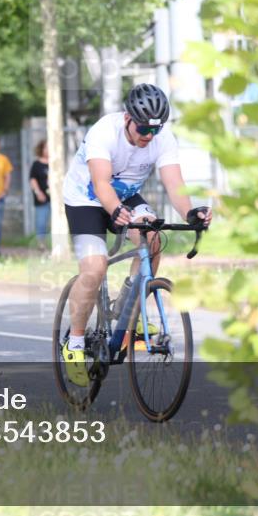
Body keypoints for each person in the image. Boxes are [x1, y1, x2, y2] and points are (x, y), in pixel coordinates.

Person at [61, 84, 212, 386]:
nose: (148, 136)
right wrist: (115, 211)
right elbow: (101, 184)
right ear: (128, 118)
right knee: (94, 268)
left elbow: (174, 185)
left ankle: (130, 305)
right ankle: (74, 344)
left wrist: (190, 213)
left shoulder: (162, 138)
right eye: (143, 128)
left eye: (154, 131)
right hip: (86, 198)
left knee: (153, 239)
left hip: (125, 195)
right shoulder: (105, 131)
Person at [29, 139, 50, 251]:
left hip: (55, 200)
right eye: (46, 147)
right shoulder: (36, 164)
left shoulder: (56, 163)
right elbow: (32, 180)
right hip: (42, 199)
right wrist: (38, 192)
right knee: (41, 222)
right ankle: (41, 244)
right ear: (41, 149)